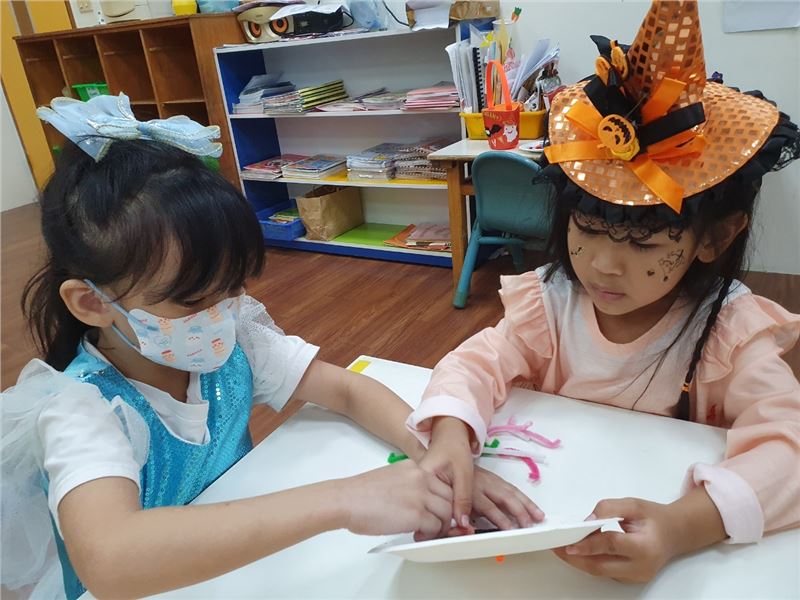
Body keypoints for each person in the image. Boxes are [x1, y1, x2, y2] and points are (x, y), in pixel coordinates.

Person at [0, 95, 539, 599]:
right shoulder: (82, 409)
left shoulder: (233, 342)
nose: (219, 314)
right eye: (192, 301)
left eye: (231, 290)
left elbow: (348, 391)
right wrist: (342, 498)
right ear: (90, 303)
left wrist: (435, 456)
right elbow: (111, 559)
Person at [409, 0, 800, 583]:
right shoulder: (551, 303)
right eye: (587, 230)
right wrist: (449, 434)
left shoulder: (731, 334)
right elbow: (475, 363)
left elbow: (789, 452)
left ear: (716, 238)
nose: (603, 266)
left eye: (643, 244)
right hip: (544, 544)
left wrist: (682, 526)